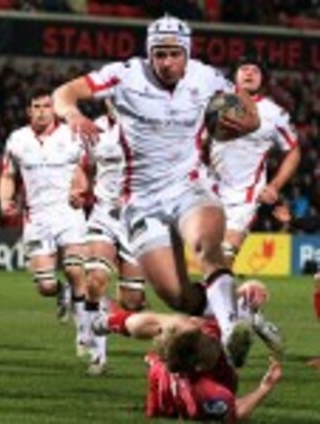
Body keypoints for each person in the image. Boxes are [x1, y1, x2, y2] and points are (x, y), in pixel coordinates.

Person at [53, 15, 261, 367]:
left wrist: (247, 122)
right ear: (149, 53)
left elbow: (248, 109)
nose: (166, 62)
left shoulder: (207, 78)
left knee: (205, 246)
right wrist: (71, 114)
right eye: (159, 54)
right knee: (177, 297)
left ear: (187, 53)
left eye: (174, 54)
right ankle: (238, 309)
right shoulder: (125, 74)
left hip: (189, 187)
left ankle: (230, 333)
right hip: (142, 203)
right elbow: (64, 93)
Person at [94, 281, 282, 421]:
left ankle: (112, 321)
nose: (205, 332)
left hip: (168, 365)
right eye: (207, 339)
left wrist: (241, 293)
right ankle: (246, 315)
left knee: (177, 324)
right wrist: (264, 387)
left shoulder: (197, 344)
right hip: (173, 391)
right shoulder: (208, 392)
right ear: (201, 365)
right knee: (184, 325)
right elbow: (235, 414)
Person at [0, 86, 90, 357]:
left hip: (68, 213)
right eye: (36, 107)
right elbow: (8, 175)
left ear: (54, 110)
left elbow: (83, 171)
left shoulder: (71, 135)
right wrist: (5, 199)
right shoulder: (17, 139)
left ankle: (84, 334)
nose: (41, 112)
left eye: (46, 106)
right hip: (37, 217)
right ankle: (61, 293)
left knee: (75, 270)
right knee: (45, 286)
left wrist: (81, 191)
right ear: (29, 111)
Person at [70, 105, 147, 376]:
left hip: (139, 218)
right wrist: (79, 188)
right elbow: (82, 166)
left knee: (132, 302)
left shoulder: (149, 125)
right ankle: (98, 355)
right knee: (95, 280)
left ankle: (106, 314)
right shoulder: (95, 129)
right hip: (104, 214)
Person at [208, 53, 300, 268]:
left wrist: (275, 186)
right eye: (244, 69)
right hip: (207, 189)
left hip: (245, 196)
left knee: (224, 256)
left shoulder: (275, 114)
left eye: (255, 70)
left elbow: (293, 151)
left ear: (262, 79)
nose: (249, 73)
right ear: (234, 75)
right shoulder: (214, 105)